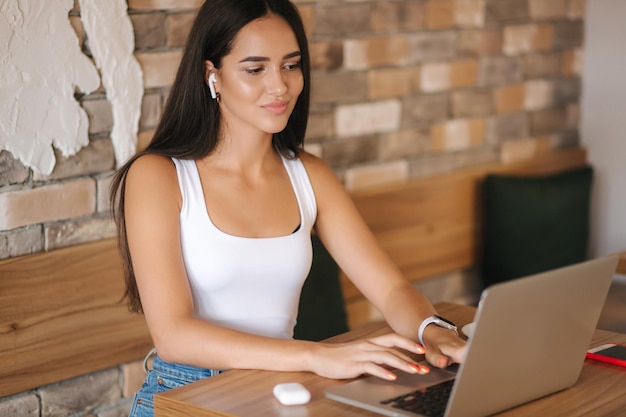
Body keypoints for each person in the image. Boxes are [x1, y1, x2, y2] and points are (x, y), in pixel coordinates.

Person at [110, 0, 467, 416]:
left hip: (278, 389)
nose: (280, 86)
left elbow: (390, 289)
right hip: (187, 392)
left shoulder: (309, 175)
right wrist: (317, 357)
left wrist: (433, 330)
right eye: (255, 68)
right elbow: (175, 336)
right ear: (213, 75)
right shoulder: (157, 176)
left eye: (291, 65)